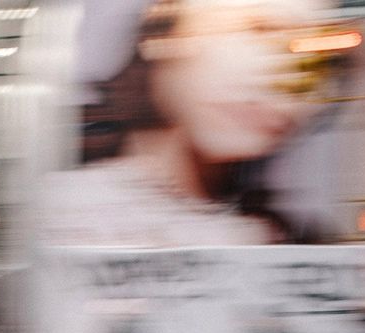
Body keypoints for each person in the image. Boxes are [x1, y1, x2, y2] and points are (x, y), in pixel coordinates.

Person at [38, 0, 348, 247]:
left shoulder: (279, 236)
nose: (285, 76)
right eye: (259, 28)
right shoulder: (62, 214)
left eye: (319, 56)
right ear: (163, 35)